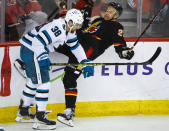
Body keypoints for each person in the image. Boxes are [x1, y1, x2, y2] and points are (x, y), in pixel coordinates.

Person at [55, 1, 134, 127]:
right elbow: (84, 29)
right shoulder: (98, 20)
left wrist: (124, 52)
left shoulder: (116, 26)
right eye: (107, 10)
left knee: (69, 78)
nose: (107, 12)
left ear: (116, 15)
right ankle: (31, 61)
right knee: (54, 41)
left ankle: (69, 113)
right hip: (77, 43)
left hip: (87, 51)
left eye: (111, 11)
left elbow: (119, 45)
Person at [15, 8, 94, 130]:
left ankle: (23, 111)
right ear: (70, 22)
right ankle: (40, 118)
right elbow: (37, 41)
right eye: (77, 24)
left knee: (33, 82)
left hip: (30, 49)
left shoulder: (68, 29)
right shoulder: (58, 28)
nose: (78, 27)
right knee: (44, 83)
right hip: (32, 50)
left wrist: (84, 61)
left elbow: (75, 46)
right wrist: (42, 56)